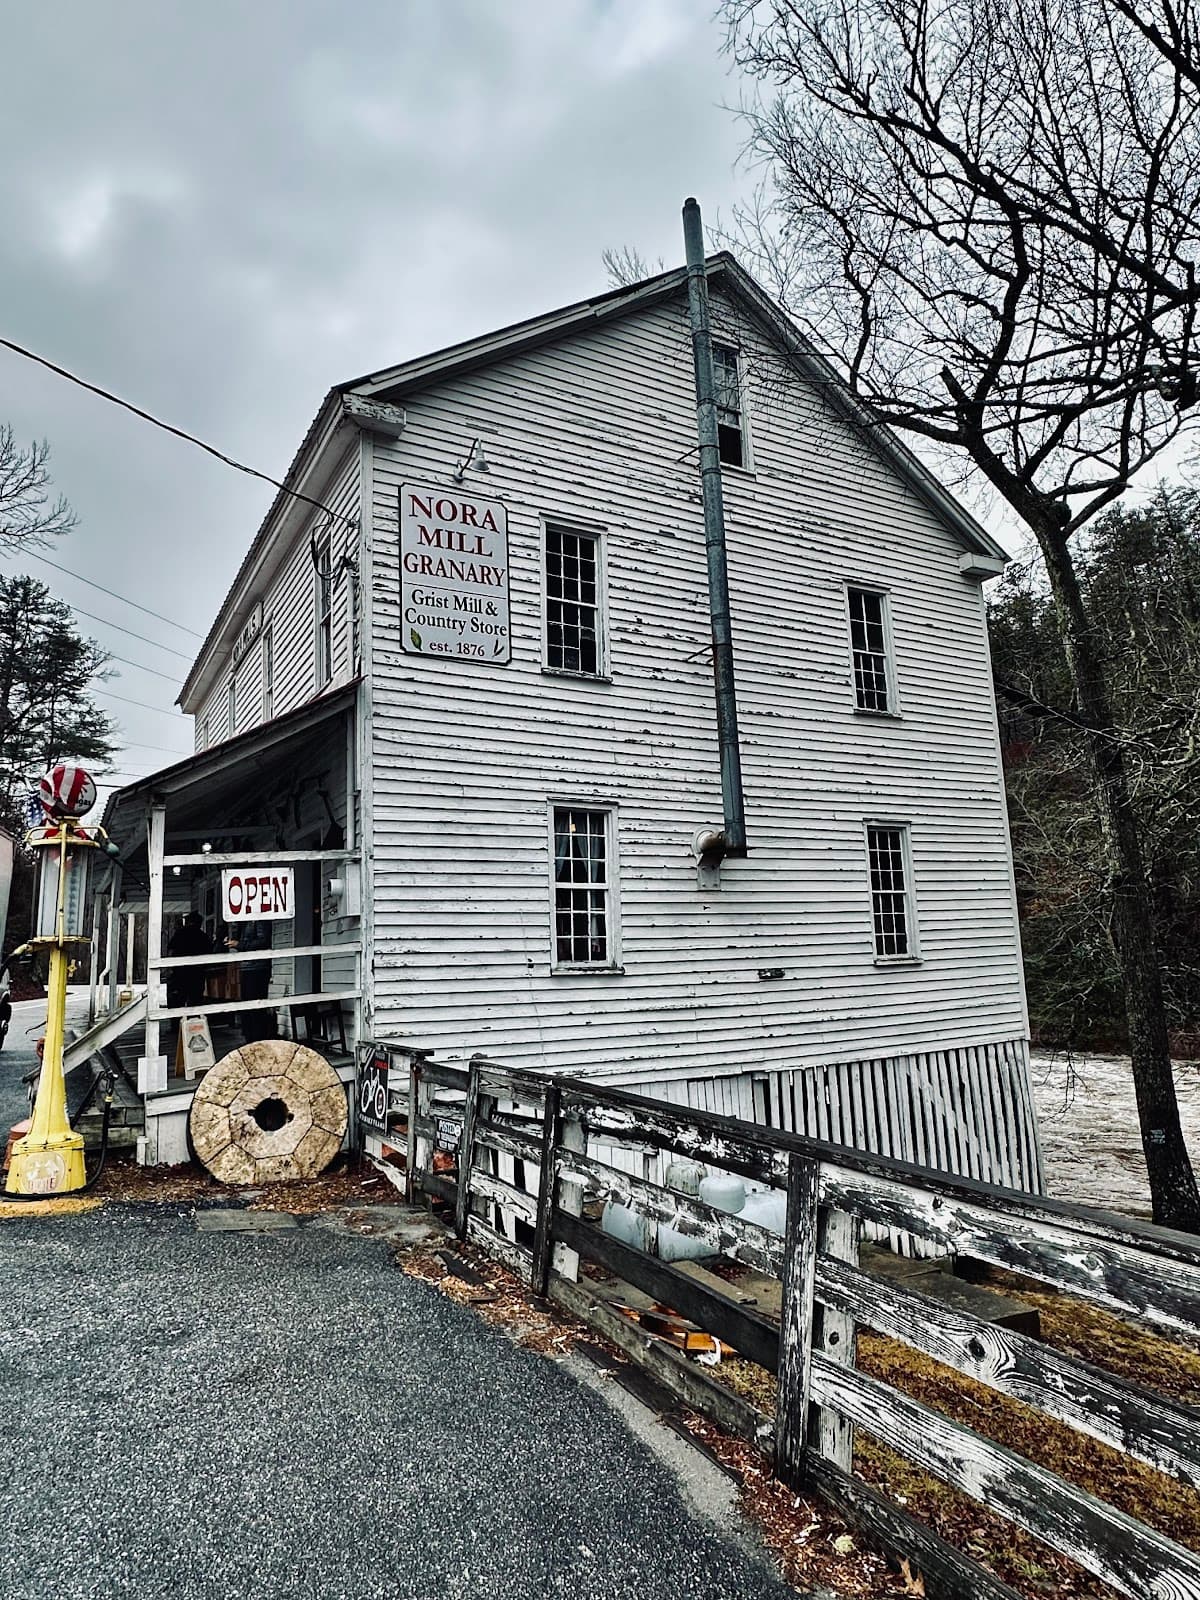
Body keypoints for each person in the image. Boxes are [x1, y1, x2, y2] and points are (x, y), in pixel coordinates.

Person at [227, 919, 275, 1043]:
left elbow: (263, 941)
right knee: (247, 1005)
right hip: (247, 965)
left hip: (257, 966)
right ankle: (250, 1037)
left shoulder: (258, 920)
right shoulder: (245, 922)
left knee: (255, 1006)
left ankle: (257, 1038)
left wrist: (240, 945)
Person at [166, 913, 213, 1012]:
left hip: (180, 973)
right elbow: (209, 953)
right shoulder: (203, 936)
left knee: (177, 1002)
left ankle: (176, 1024)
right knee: (195, 1002)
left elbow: (170, 948)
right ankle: (194, 1023)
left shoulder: (180, 933)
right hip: (197, 974)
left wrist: (171, 966)